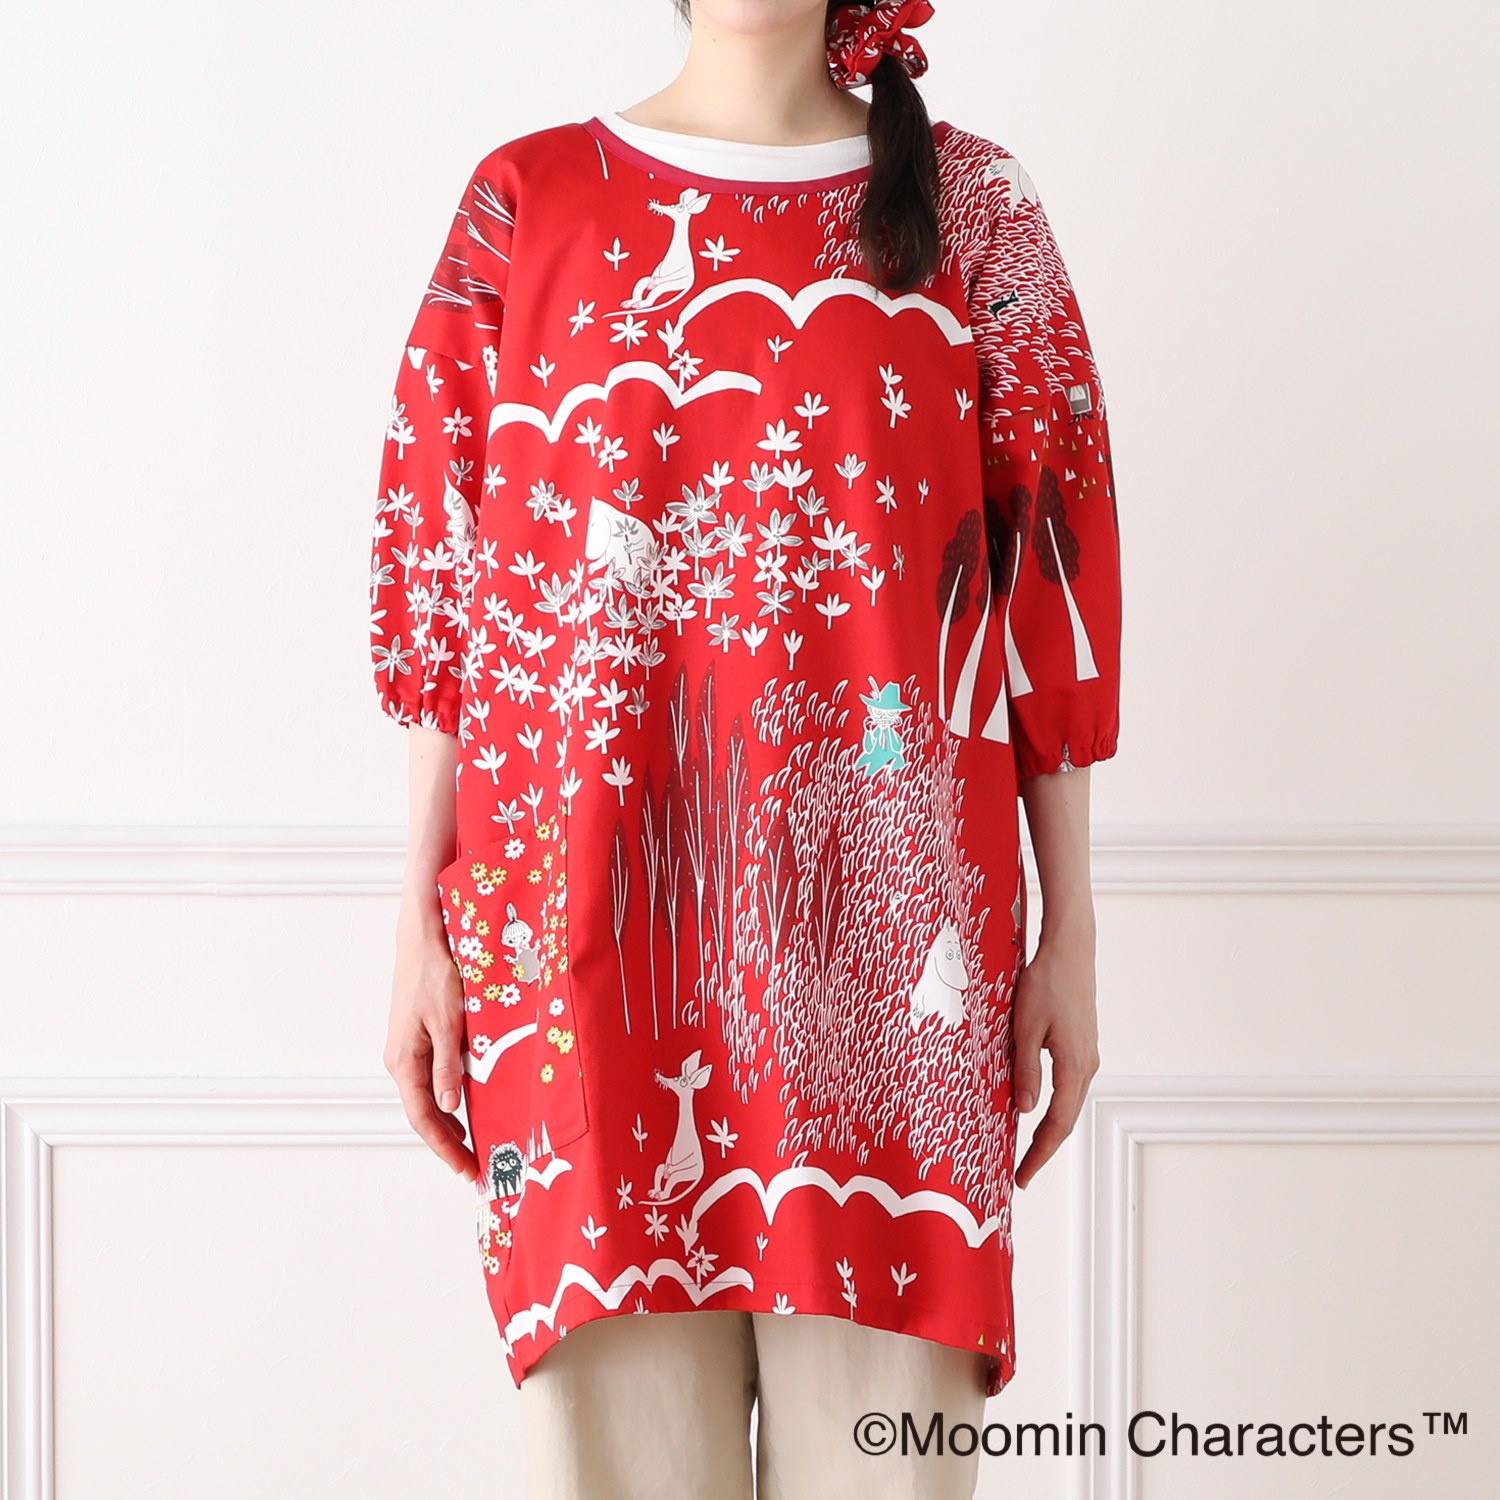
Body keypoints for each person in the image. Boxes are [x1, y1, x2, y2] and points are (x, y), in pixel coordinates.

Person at [369, 2, 1121, 1494]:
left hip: (897, 993)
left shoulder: (979, 209)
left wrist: (1073, 930)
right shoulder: (525, 201)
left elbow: (1051, 584)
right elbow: (446, 590)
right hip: (578, 955)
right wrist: (416, 926)